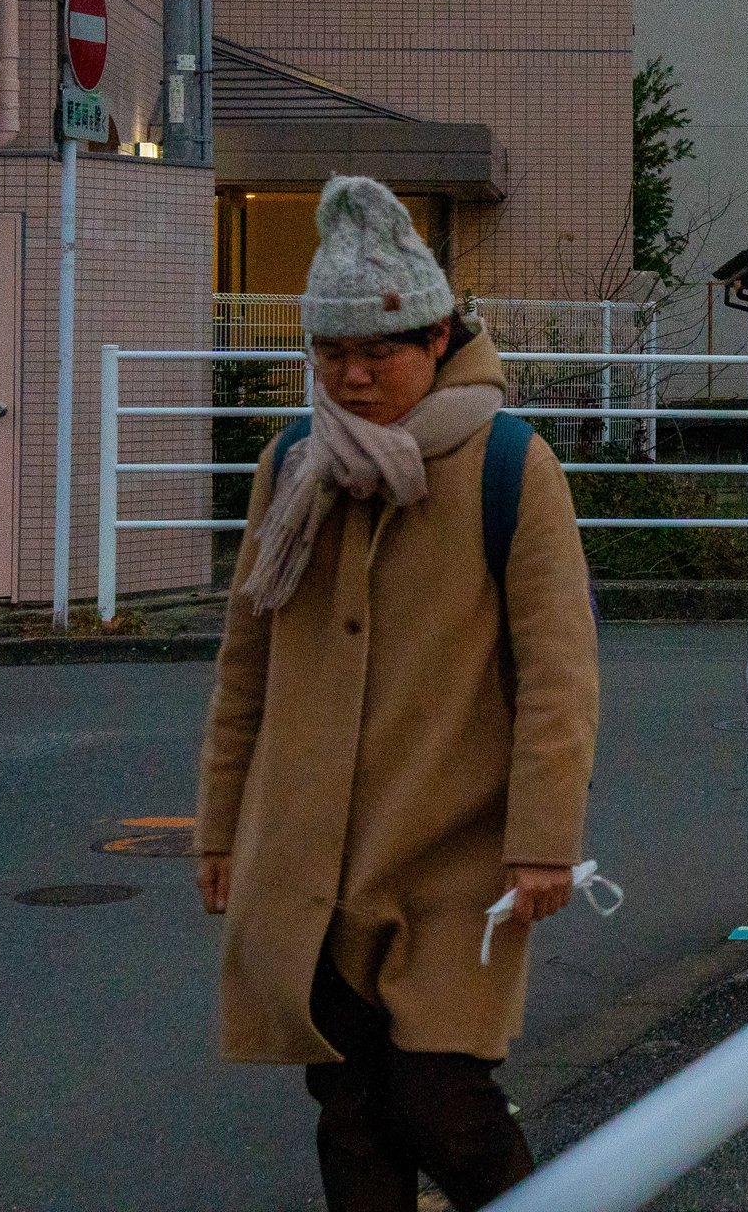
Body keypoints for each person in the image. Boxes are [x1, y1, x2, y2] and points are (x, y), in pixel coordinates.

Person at [196, 175, 601, 1212]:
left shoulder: (512, 464)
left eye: (379, 350)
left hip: (455, 853)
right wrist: (221, 832)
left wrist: (544, 838)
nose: (355, 374)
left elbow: (558, 674)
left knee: (442, 1100)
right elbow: (247, 662)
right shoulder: (293, 465)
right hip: (311, 856)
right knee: (351, 1109)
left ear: (437, 339)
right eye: (333, 353)